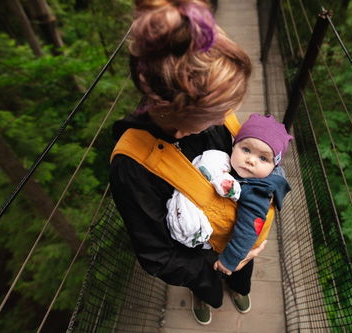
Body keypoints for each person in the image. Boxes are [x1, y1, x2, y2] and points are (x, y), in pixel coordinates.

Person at [109, 0, 265, 326]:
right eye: (216, 114)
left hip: (239, 231)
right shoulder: (132, 167)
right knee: (208, 286)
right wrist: (219, 263)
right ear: (183, 122)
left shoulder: (215, 120)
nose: (227, 118)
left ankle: (239, 286)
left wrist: (246, 247)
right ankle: (207, 293)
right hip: (198, 258)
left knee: (242, 274)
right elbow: (157, 255)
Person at [166, 114, 293, 281]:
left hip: (239, 248)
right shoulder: (234, 168)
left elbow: (248, 229)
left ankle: (240, 291)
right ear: (234, 146)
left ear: (273, 166)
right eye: (246, 149)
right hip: (225, 238)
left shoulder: (257, 192)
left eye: (263, 158)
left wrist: (230, 261)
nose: (250, 160)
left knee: (239, 277)